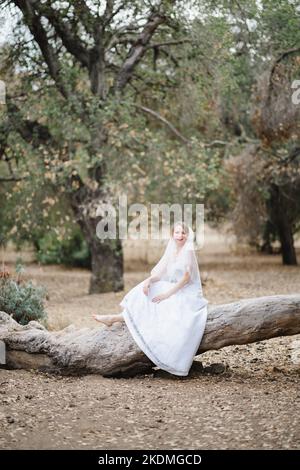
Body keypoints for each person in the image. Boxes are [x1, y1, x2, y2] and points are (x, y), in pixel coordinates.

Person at [92, 221, 208, 376]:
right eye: (177, 232)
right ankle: (114, 318)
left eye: (183, 233)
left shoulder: (188, 251)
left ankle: (113, 318)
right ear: (172, 234)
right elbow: (159, 275)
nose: (180, 236)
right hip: (173, 287)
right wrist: (148, 281)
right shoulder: (172, 251)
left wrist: (168, 294)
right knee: (147, 289)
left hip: (186, 292)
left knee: (164, 304)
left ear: (187, 235)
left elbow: (186, 279)